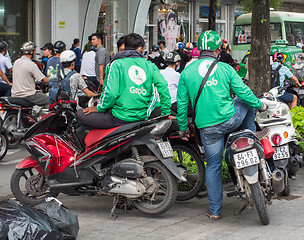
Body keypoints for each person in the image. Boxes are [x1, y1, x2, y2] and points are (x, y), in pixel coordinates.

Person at [176, 30, 267, 220]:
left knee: (213, 166)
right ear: (218, 49)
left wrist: (183, 128)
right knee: (246, 101)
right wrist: (260, 104)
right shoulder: (225, 68)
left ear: (199, 49)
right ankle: (250, 133)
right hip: (230, 121)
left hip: (207, 128)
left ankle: (215, 211)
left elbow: (182, 105)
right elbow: (243, 91)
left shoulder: (187, 72)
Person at [76, 33, 171, 129]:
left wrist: (100, 108)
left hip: (119, 117)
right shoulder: (150, 65)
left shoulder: (116, 64)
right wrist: (165, 112)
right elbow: (163, 86)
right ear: (141, 49)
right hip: (142, 117)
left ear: (125, 47)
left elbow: (111, 93)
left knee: (80, 114)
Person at [11, 41, 49, 108]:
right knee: (48, 99)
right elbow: (44, 80)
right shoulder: (31, 64)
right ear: (31, 52)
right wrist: (54, 80)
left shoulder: (16, 62)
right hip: (28, 95)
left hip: (15, 95)